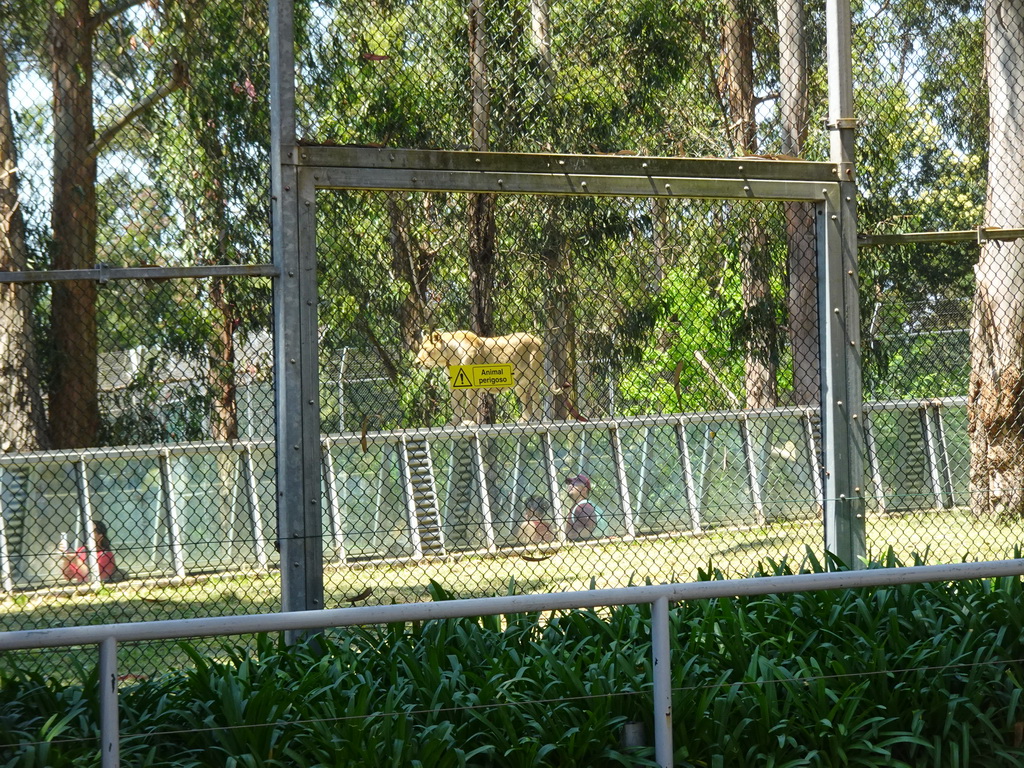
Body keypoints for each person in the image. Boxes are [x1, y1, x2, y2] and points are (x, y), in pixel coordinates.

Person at [565, 473, 607, 541]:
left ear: (584, 490)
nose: (570, 486)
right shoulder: (590, 505)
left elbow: (585, 537)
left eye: (574, 484)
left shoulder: (582, 508)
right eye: (569, 484)